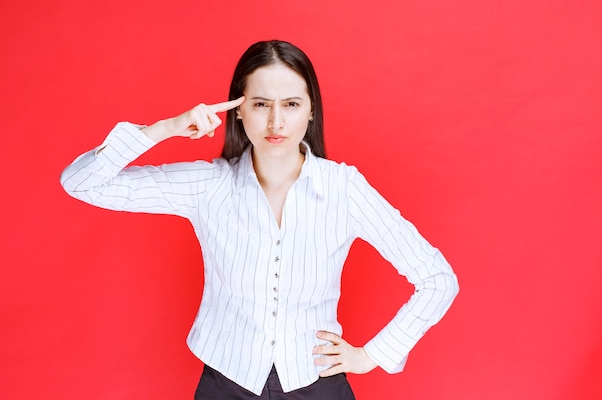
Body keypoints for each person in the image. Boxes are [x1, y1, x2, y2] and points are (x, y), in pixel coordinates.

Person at [60, 40, 459, 399]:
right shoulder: (208, 184)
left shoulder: (344, 188)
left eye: (291, 104)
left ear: (311, 110)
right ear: (237, 109)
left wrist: (373, 355)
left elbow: (438, 279)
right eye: (260, 104)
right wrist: (166, 128)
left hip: (316, 384)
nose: (275, 123)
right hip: (225, 383)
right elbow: (81, 183)